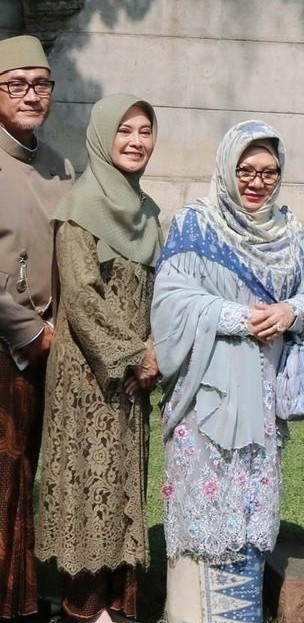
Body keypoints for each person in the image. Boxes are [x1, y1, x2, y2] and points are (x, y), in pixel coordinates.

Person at [152, 120, 304, 622]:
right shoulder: (194, 225)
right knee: (203, 513)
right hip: (205, 398)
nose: (256, 182)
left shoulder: (289, 231)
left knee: (248, 510)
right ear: (228, 167)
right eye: (246, 170)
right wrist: (238, 318)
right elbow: (170, 302)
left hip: (263, 400)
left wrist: (289, 312)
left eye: (269, 172)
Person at [35, 94, 161, 623]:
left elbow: (158, 292)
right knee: (89, 484)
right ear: (102, 136)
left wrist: (154, 350)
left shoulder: (148, 212)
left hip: (134, 378)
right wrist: (134, 355)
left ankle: (116, 601)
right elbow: (83, 298)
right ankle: (83, 607)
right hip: (89, 376)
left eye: (145, 131)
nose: (136, 142)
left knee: (123, 480)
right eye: (124, 131)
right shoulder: (80, 207)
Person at [0, 34, 73, 619]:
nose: (31, 95)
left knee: (25, 471)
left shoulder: (58, 165)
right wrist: (29, 331)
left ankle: (19, 596)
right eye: (16, 84)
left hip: (49, 344)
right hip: (10, 341)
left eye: (40, 84)